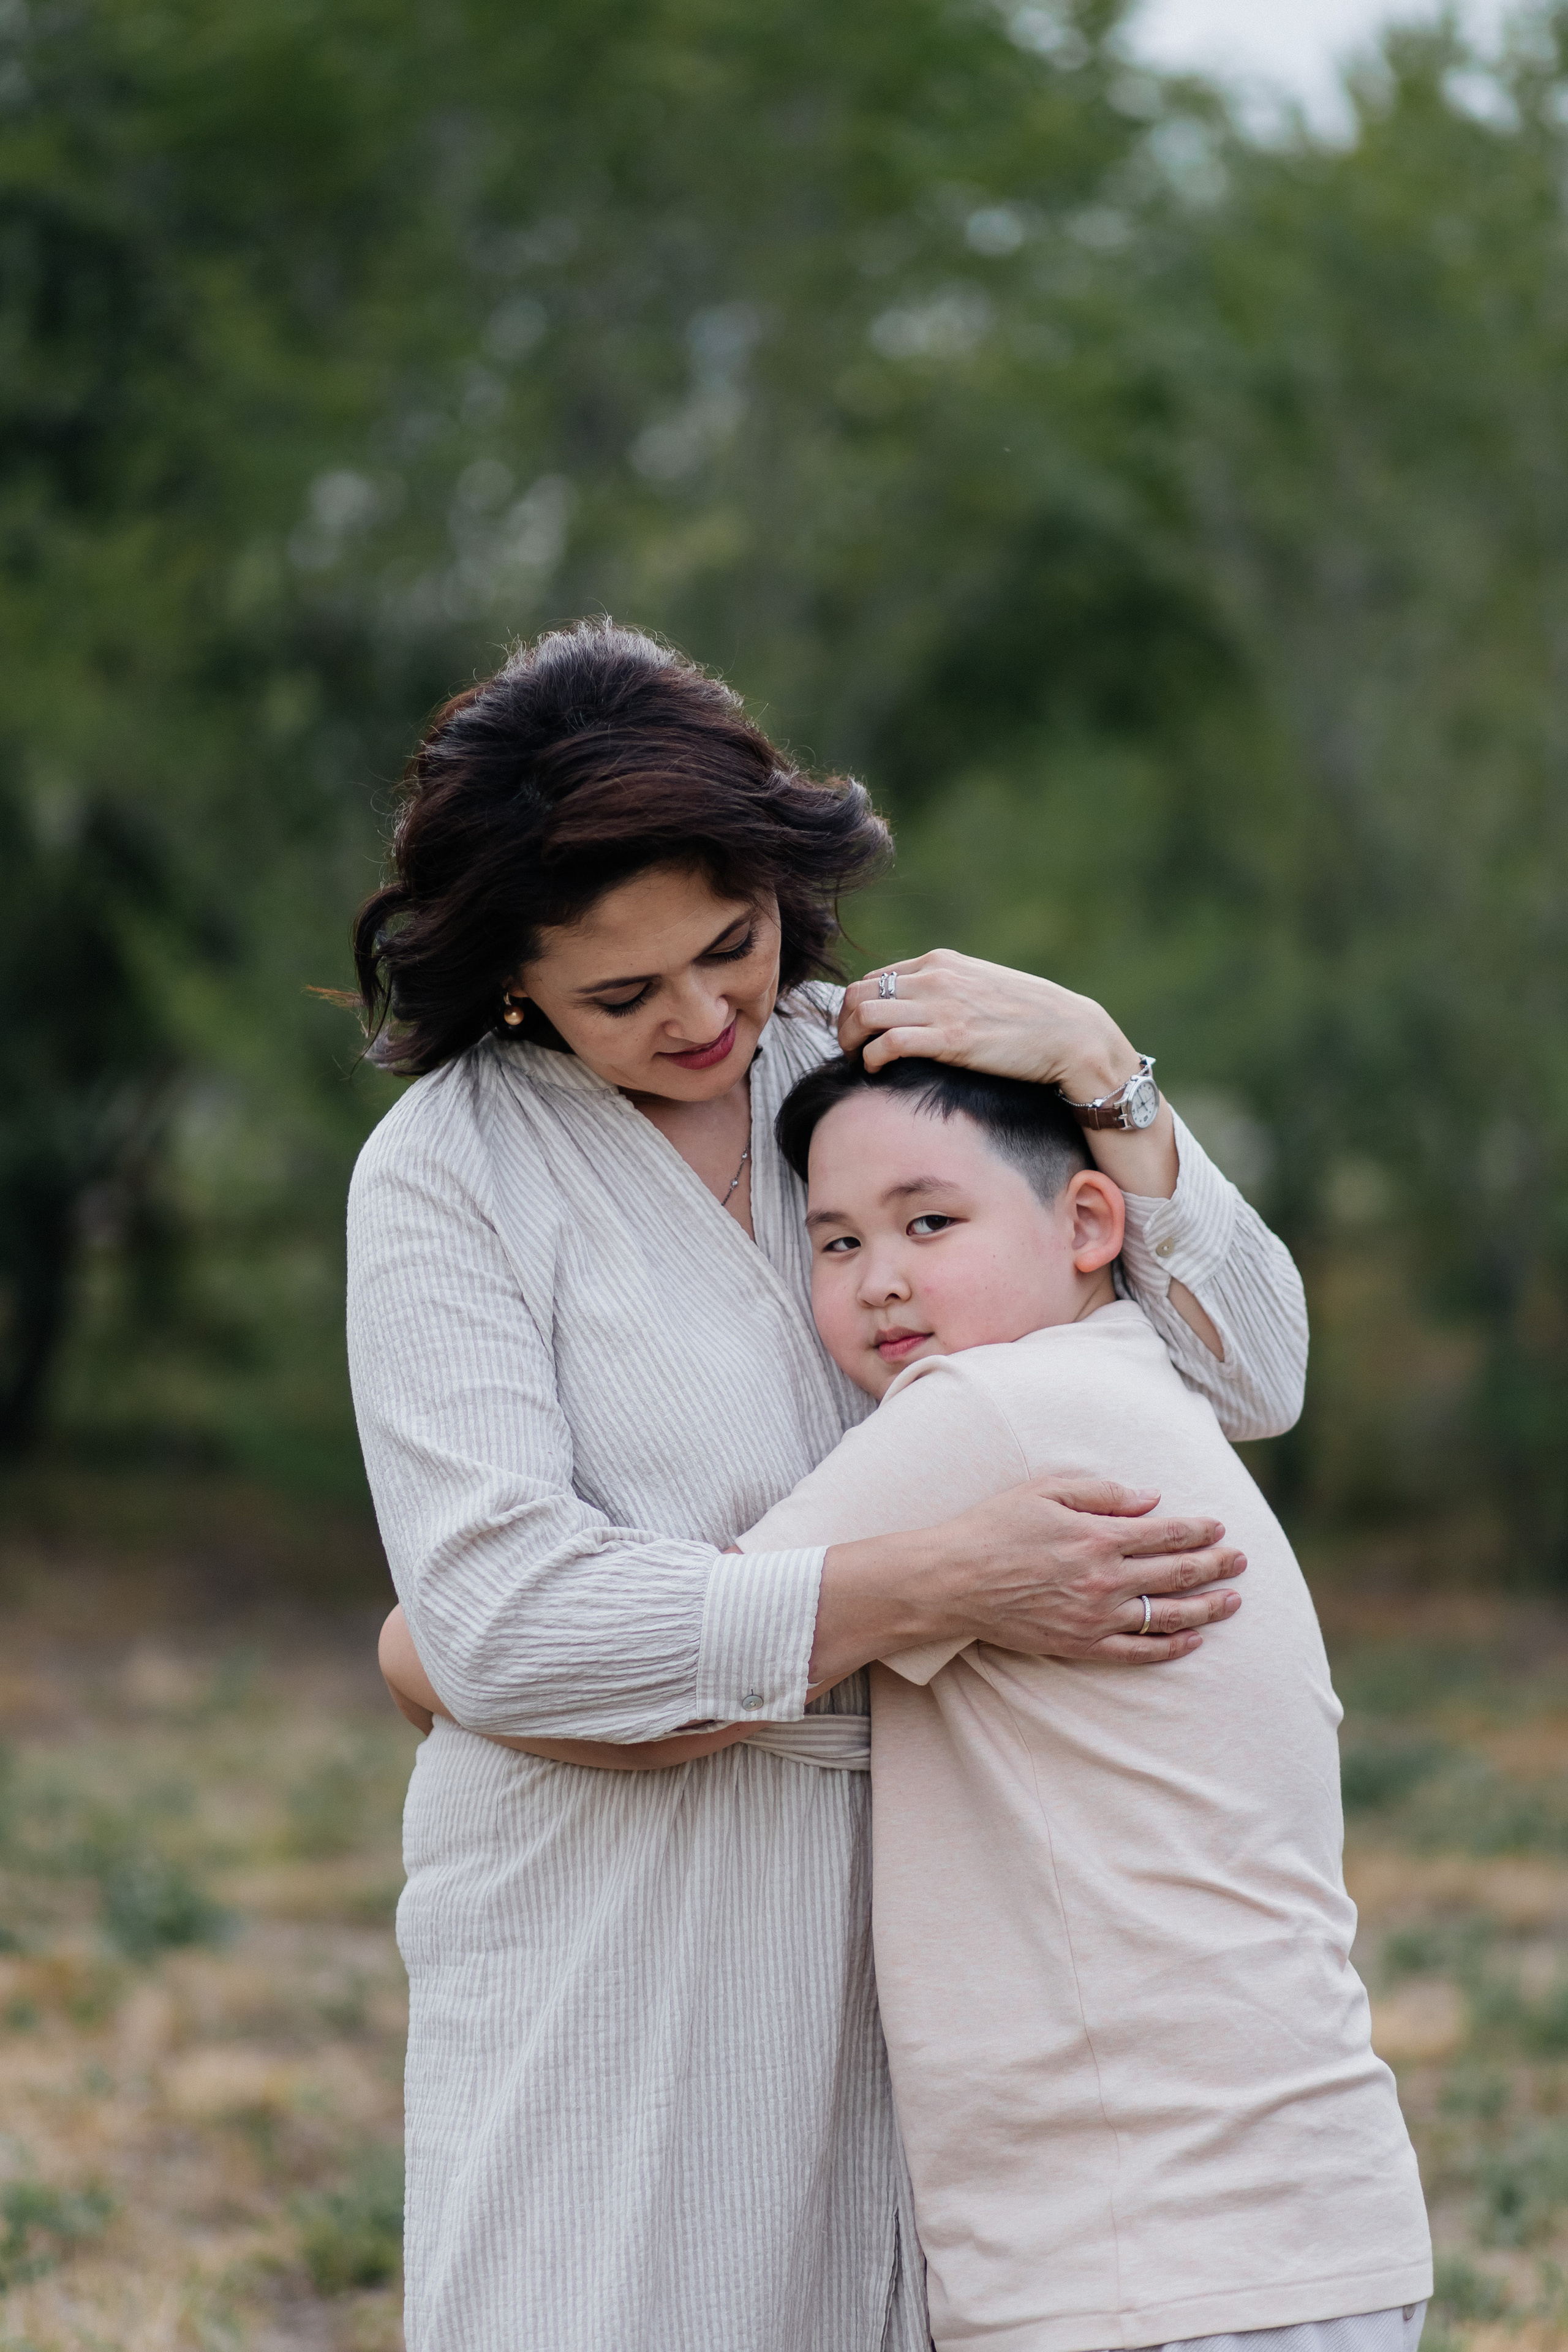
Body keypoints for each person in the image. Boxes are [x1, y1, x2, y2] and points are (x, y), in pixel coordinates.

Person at [345, 617, 1308, 2352]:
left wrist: (1102, 1063)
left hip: (935, 1881)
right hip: (607, 1907)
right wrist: (942, 1585)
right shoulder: (446, 1174)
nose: (707, 1014)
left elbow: (1248, 1376)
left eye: (734, 944)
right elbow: (506, 1628)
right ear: (509, 978)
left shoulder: (877, 1076)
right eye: (622, 995)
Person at [741, 1052, 1433, 2352]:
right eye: (834, 1241)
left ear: (1084, 1225)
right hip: (1291, 2222)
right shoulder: (1131, 1386)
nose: (877, 1275)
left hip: (1150, 2250)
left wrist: (427, 1645)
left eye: (927, 1221)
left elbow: (675, 1664)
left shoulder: (988, 1406)